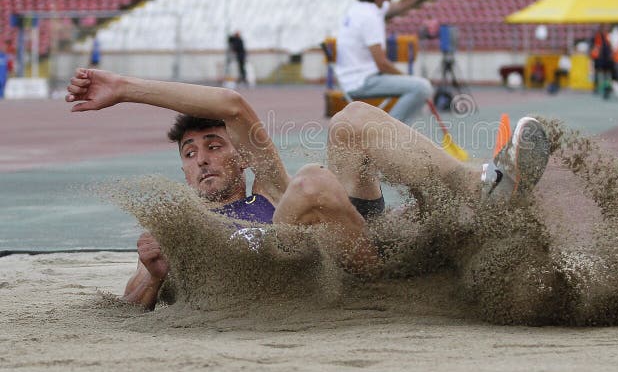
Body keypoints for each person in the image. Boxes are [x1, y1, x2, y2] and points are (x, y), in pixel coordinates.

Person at [65, 67, 551, 310]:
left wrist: (125, 88)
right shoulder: (185, 229)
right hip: (324, 284)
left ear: (240, 156)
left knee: (352, 120)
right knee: (316, 182)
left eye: (213, 146)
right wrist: (153, 275)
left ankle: (485, 189)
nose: (202, 160)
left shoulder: (271, 193)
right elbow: (129, 305)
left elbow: (233, 105)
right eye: (189, 155)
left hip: (362, 248)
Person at [335, 0, 437, 124]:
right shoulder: (369, 18)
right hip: (362, 82)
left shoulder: (361, 9)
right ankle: (390, 134)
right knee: (421, 87)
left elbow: (404, 3)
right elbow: (382, 64)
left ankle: (390, 131)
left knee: (416, 85)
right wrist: (407, 78)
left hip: (353, 78)